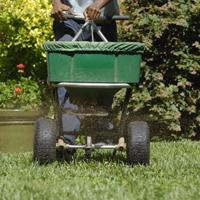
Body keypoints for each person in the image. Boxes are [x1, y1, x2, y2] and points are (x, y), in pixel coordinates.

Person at [51, 0, 120, 145]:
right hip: (68, 20)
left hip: (103, 20)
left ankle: (103, 135)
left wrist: (98, 4)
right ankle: (67, 139)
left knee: (104, 78)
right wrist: (56, 3)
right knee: (66, 75)